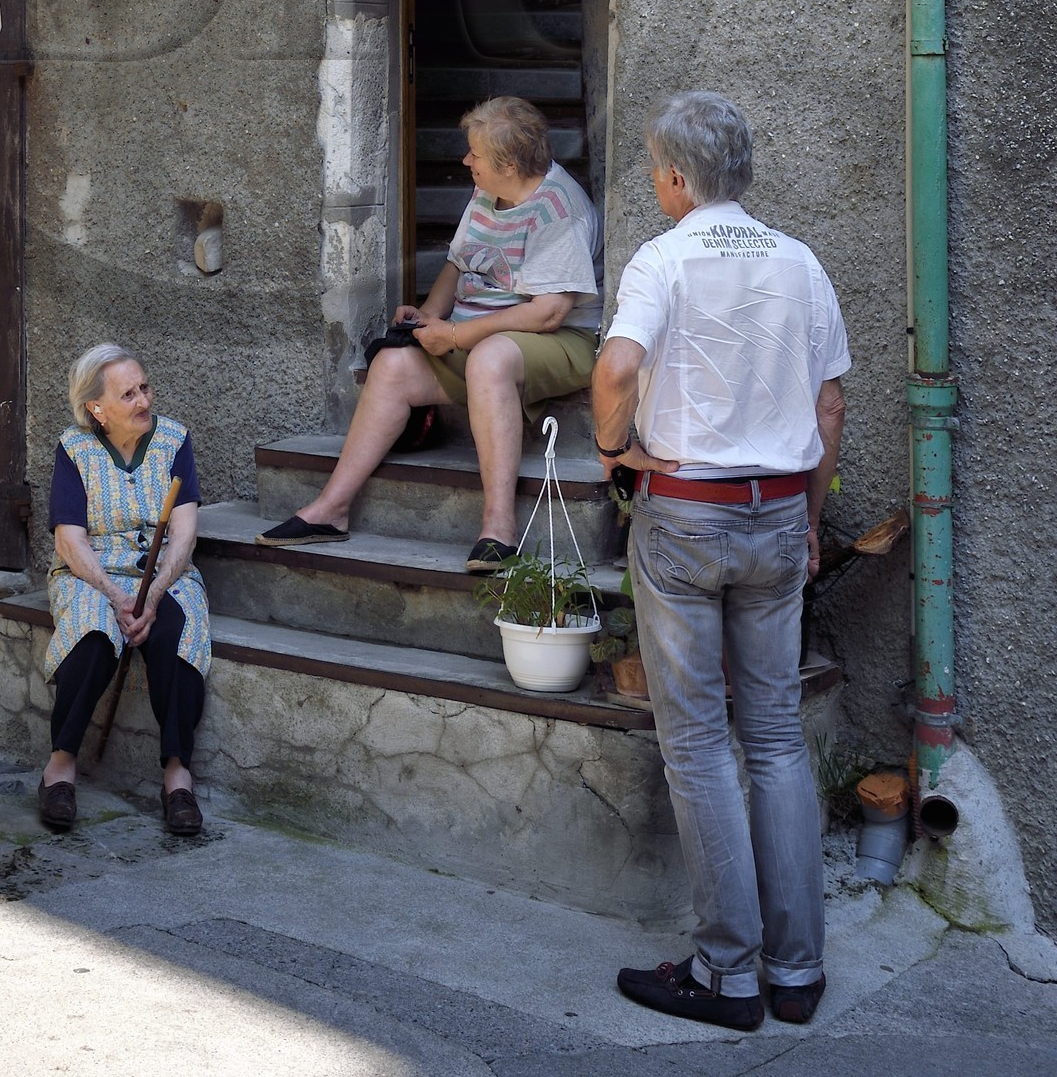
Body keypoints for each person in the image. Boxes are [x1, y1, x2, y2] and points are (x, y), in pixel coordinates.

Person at [590, 92, 848, 1035]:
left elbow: (616, 369)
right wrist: (811, 521)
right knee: (775, 738)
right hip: (777, 514)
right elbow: (828, 412)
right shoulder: (799, 261)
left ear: (672, 178)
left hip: (688, 517)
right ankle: (797, 972)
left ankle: (727, 974)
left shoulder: (665, 258)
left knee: (698, 743)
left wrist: (615, 449)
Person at [263, 96, 603, 572]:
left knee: (490, 359)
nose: (466, 161)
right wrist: (426, 319)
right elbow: (457, 264)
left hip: (560, 341)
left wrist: (458, 337)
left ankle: (499, 528)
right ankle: (331, 509)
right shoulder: (489, 191)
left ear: (506, 163)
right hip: (483, 334)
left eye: (475, 155)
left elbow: (547, 314)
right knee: (392, 364)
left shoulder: (557, 209)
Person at [38, 344, 211, 838]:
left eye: (144, 388)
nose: (143, 401)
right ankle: (60, 766)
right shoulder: (75, 449)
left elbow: (184, 533)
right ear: (96, 408)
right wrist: (115, 596)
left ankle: (177, 776)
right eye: (128, 394)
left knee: (176, 636)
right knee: (92, 636)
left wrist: (153, 595)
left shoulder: (174, 440)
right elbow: (69, 539)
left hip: (165, 573)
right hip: (92, 573)